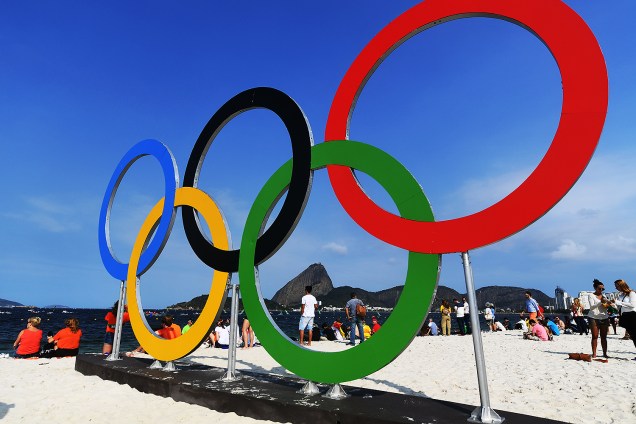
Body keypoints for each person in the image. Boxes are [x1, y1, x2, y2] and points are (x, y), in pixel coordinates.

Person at [611, 279, 636, 356]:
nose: (616, 288)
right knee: (633, 336)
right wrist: (613, 305)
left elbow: (632, 305)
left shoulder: (631, 293)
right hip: (625, 316)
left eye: (617, 286)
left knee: (635, 335)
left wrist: (619, 302)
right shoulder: (620, 295)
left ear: (622, 285)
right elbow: (619, 308)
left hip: (632, 315)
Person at [587, 279, 611, 358]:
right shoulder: (591, 295)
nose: (601, 290)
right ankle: (594, 353)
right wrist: (601, 302)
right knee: (595, 336)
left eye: (602, 289)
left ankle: (605, 353)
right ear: (595, 288)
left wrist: (610, 304)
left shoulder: (604, 296)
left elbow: (607, 306)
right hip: (593, 317)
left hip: (604, 317)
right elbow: (592, 307)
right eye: (599, 288)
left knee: (604, 337)